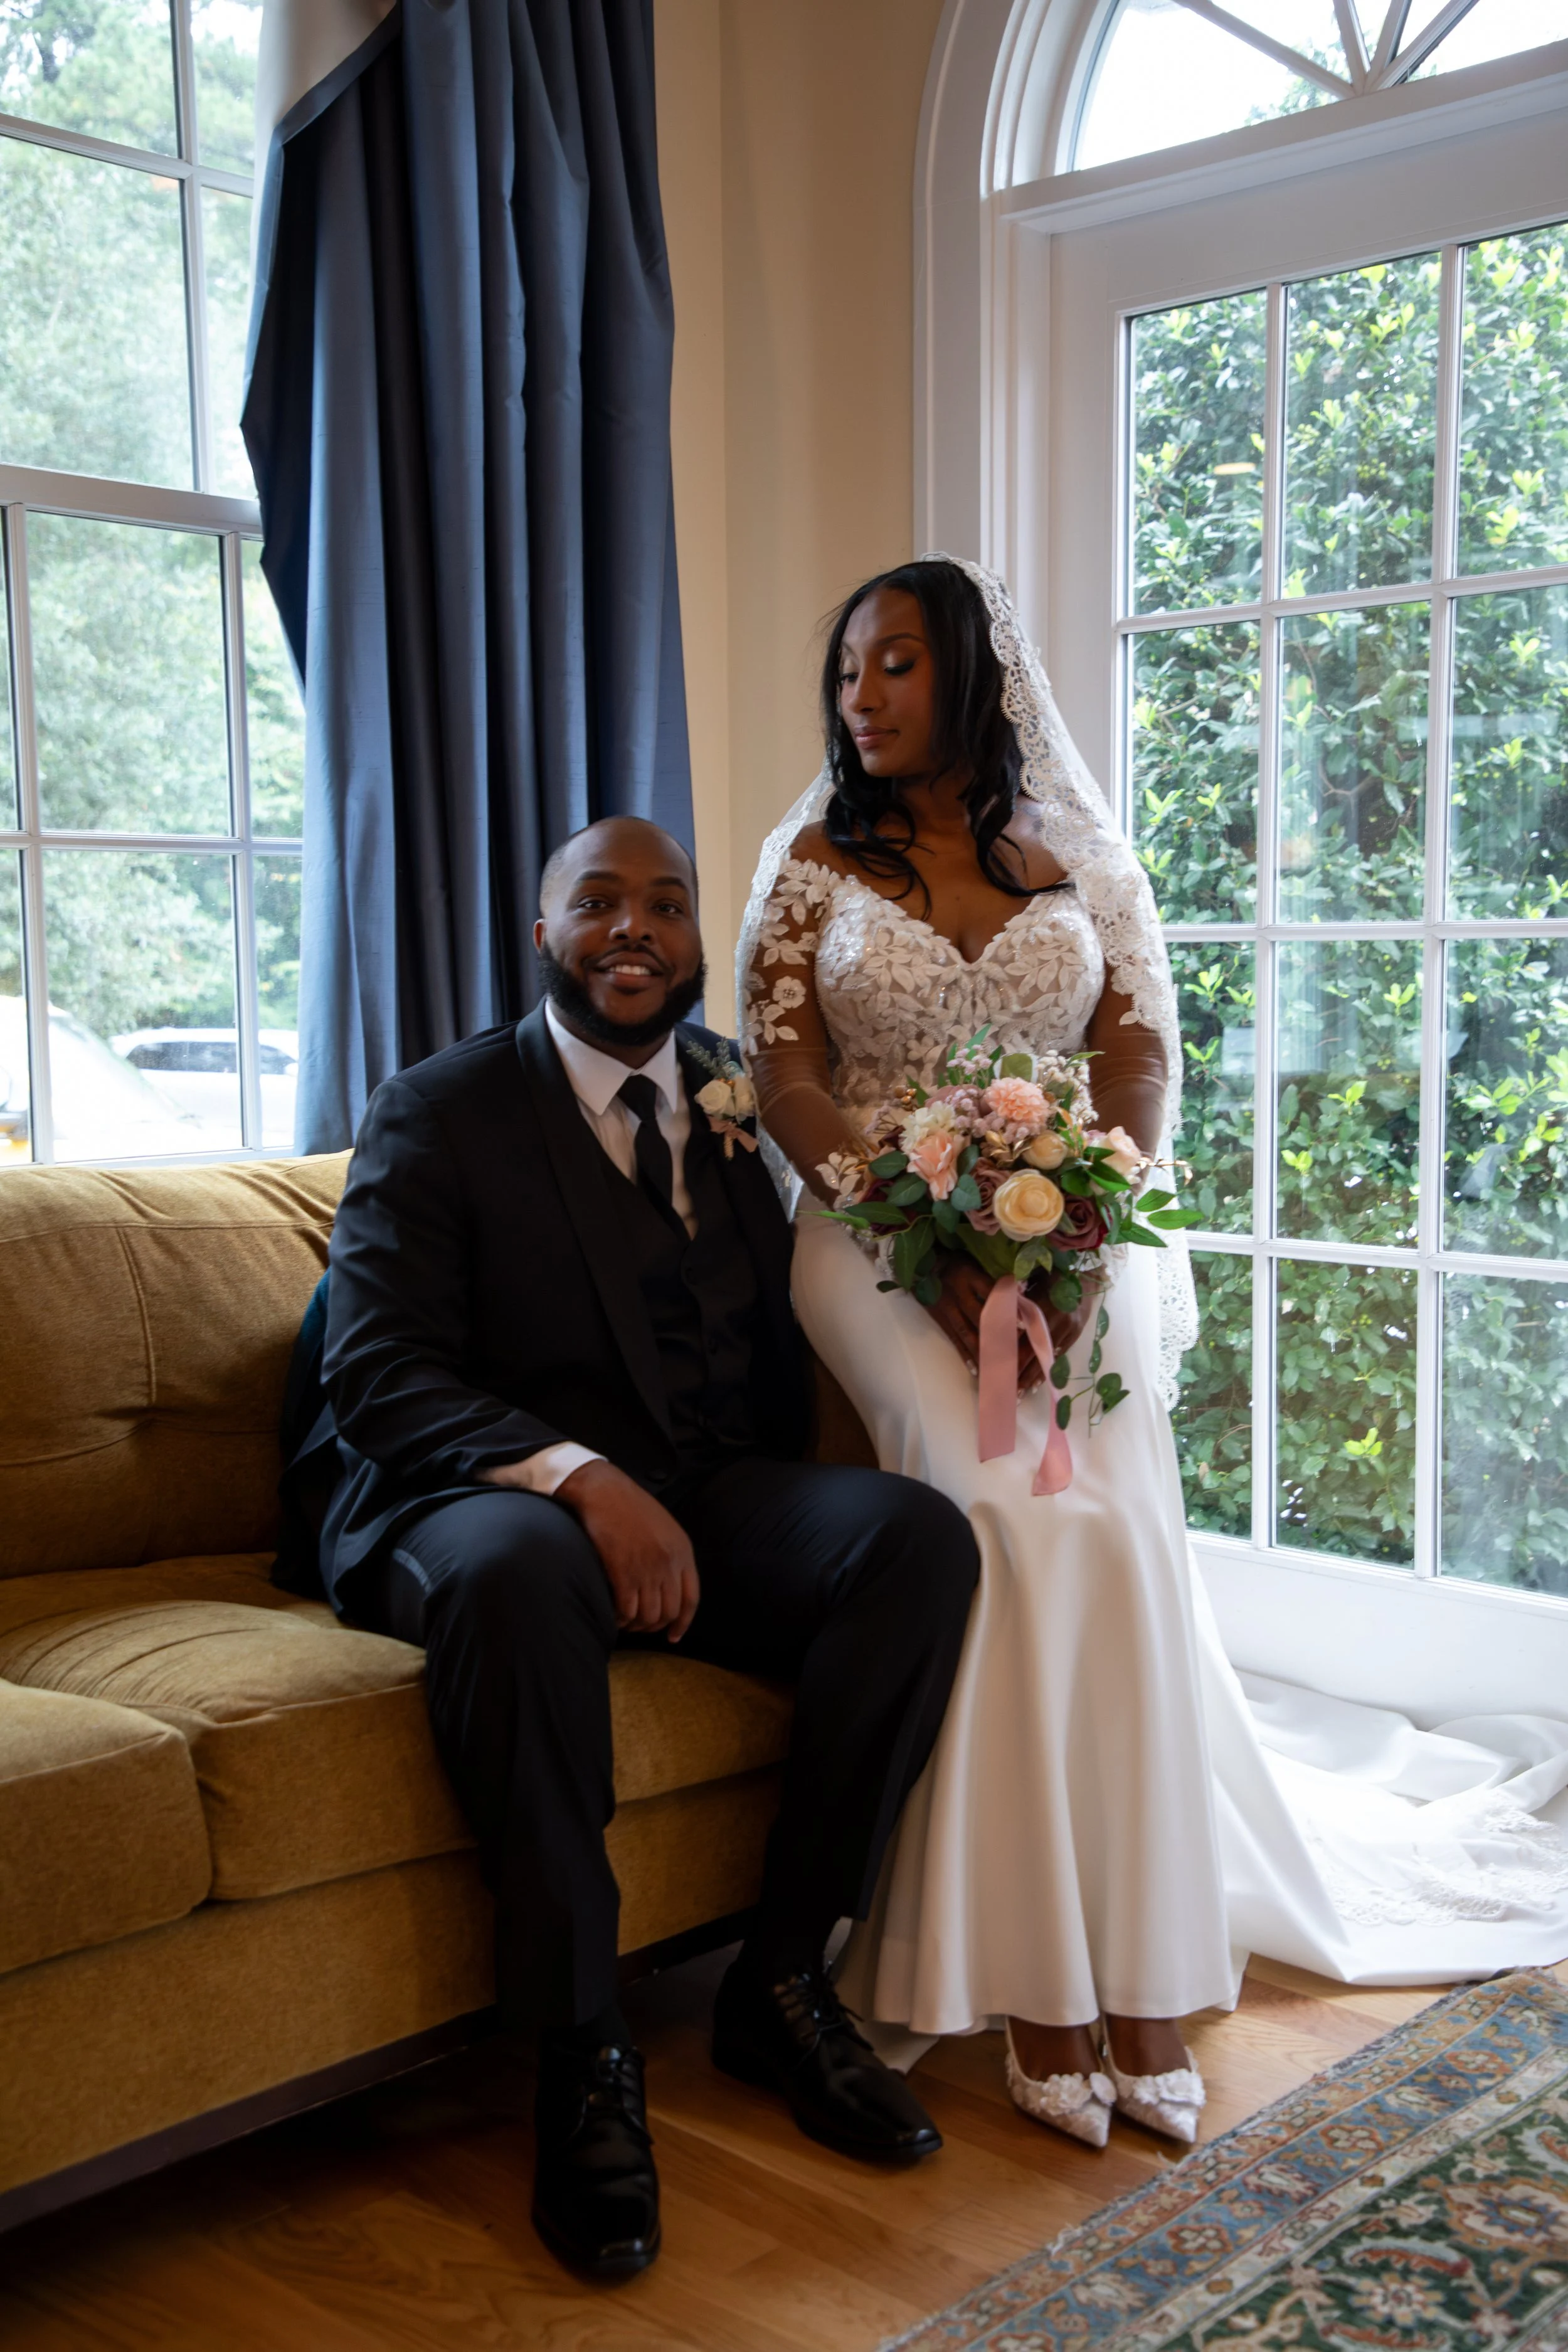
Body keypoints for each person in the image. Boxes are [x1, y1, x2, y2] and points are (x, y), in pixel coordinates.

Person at [739, 554, 1568, 2154]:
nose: (861, 696)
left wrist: (1067, 1242)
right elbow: (784, 1075)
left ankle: (1140, 1976)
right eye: (847, 671)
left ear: (973, 676)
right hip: (867, 1248)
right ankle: (1034, 1983)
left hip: (1063, 1243)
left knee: (1106, 1528)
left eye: (895, 664)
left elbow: (1136, 1056)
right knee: (997, 1514)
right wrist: (918, 1236)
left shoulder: (1075, 857)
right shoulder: (811, 866)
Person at [316, 815, 981, 2280]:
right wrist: (578, 1477)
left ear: (697, 943)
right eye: (598, 903)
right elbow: (372, 1374)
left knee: (914, 1544)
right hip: (466, 1494)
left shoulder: (732, 1095)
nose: (636, 929)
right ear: (542, 934)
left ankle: (781, 1982)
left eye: (666, 905)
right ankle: (580, 2049)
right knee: (521, 1566)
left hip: (702, 1482)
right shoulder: (440, 1109)